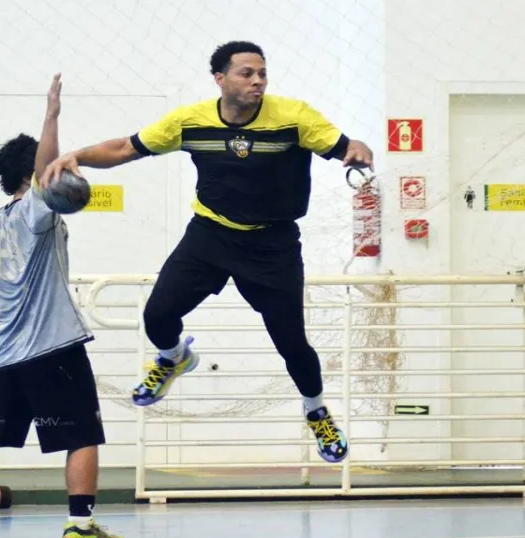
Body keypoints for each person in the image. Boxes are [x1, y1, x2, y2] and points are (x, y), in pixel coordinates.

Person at [41, 41, 374, 464]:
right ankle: (174, 358)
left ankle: (317, 411)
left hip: (272, 245)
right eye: (246, 73)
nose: (257, 81)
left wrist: (357, 149)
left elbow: (345, 146)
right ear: (220, 79)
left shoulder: (294, 117)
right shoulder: (190, 122)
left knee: (292, 344)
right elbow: (125, 148)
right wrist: (76, 155)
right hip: (210, 236)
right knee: (157, 315)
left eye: (262, 73)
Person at [0, 73, 124, 538]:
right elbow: (47, 171)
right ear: (35, 174)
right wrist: (51, 116)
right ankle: (81, 527)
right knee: (82, 435)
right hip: (50, 349)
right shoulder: (35, 212)